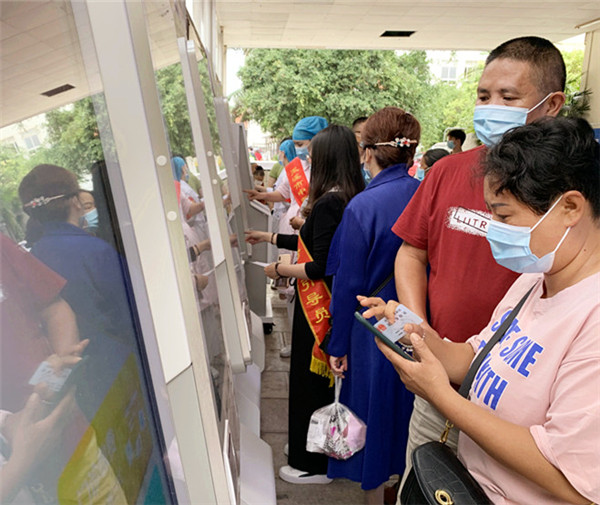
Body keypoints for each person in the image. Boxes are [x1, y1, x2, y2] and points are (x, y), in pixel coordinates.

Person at [370, 117, 599, 505]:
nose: (491, 227)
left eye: (505, 216)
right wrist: (414, 332)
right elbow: (477, 356)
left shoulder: (590, 315)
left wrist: (442, 397)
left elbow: (571, 480)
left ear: (571, 207)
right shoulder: (536, 277)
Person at [390, 35, 567, 496]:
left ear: (552, 105)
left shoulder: (572, 191)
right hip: (444, 373)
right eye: (483, 96)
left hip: (525, 401)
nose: (491, 107)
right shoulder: (449, 171)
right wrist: (416, 327)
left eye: (508, 97)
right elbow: (411, 251)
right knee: (425, 486)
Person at [245, 125, 364, 484]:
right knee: (316, 384)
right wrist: (267, 236)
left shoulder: (329, 201)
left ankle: (313, 463)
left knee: (311, 382)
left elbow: (318, 264)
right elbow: (310, 242)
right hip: (331, 304)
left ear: (328, 157)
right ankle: (306, 444)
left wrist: (279, 268)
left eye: (313, 153)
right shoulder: (346, 195)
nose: (308, 159)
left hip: (319, 308)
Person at [326, 107, 421, 504]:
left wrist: (337, 345)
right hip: (417, 322)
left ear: (367, 151)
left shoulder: (362, 206)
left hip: (371, 327)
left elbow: (347, 281)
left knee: (373, 411)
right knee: (409, 411)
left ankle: (376, 490)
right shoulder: (424, 195)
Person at [352, 116, 371, 185]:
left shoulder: (375, 157)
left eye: (366, 132)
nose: (363, 136)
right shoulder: (348, 157)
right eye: (359, 132)